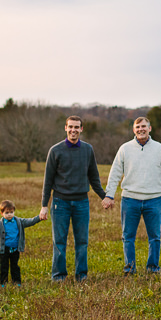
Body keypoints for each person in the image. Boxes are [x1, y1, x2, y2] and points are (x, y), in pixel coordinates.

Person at [102, 116, 161, 275]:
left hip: (153, 200)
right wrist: (109, 195)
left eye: (144, 126)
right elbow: (115, 173)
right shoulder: (125, 149)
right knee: (128, 236)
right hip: (130, 199)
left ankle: (153, 268)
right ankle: (129, 269)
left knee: (154, 237)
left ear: (150, 128)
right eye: (137, 127)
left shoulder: (159, 148)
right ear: (134, 130)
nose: (140, 129)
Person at [40, 115, 107, 283]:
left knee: (82, 241)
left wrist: (105, 197)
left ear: (81, 129)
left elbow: (94, 177)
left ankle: (81, 276)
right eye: (70, 127)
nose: (73, 130)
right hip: (60, 203)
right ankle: (59, 276)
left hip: (82, 203)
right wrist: (44, 205)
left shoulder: (87, 150)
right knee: (59, 241)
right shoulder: (55, 151)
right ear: (65, 128)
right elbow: (47, 181)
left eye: (77, 127)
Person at [0, 200, 45, 286]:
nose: (9, 215)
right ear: (2, 213)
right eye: (7, 213)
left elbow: (30, 221)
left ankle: (17, 282)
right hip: (4, 250)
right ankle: (3, 283)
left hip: (15, 249)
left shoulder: (19, 221)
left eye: (11, 212)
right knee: (4, 266)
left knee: (15, 266)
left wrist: (39, 217)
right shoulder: (0, 224)